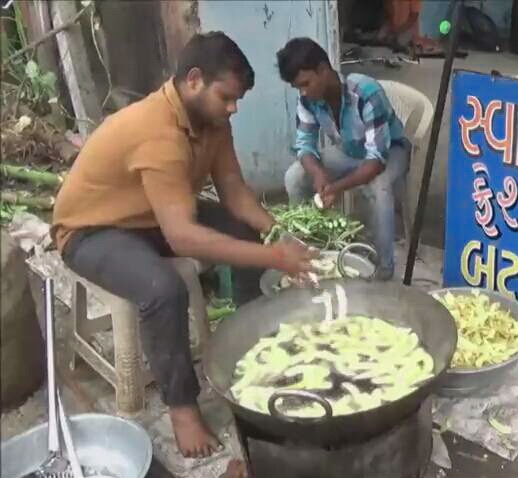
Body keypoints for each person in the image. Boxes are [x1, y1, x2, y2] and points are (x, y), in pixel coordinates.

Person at [51, 32, 318, 458]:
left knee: (243, 230)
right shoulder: (156, 132)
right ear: (194, 80)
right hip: (91, 231)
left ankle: (252, 345)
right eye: (226, 97)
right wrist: (275, 259)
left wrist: (273, 233)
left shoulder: (213, 122)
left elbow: (233, 189)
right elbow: (184, 237)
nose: (233, 109)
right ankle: (181, 407)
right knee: (163, 290)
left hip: (149, 217)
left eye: (237, 101)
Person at [277, 37, 411, 280]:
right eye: (299, 87)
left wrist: (335, 187)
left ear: (323, 70)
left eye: (306, 83)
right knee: (295, 176)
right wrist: (319, 174)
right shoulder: (307, 100)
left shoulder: (366, 92)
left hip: (391, 152)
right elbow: (305, 145)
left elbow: (377, 160)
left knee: (379, 187)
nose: (304, 91)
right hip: (349, 151)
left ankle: (383, 271)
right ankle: (309, 250)